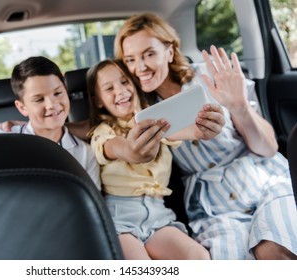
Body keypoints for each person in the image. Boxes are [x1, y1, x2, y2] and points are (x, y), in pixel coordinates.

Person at [113, 12, 297, 260]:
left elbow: (268, 147)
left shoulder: (210, 78)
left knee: (273, 251)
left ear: (169, 51)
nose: (140, 67)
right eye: (130, 59)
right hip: (213, 207)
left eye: (149, 54)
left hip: (263, 181)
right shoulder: (134, 109)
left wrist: (239, 106)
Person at [86, 58, 210, 260]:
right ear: (98, 100)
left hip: (158, 215)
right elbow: (112, 146)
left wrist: (199, 130)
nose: (121, 91)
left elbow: (177, 132)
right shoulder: (103, 132)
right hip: (119, 217)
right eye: (109, 88)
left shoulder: (156, 122)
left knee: (199, 257)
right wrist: (129, 149)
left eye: (125, 82)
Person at [0, 56, 101, 190]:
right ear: (22, 107)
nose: (52, 104)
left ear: (66, 91)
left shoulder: (85, 153)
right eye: (39, 100)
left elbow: (92, 204)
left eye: (58, 93)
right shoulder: (0, 142)